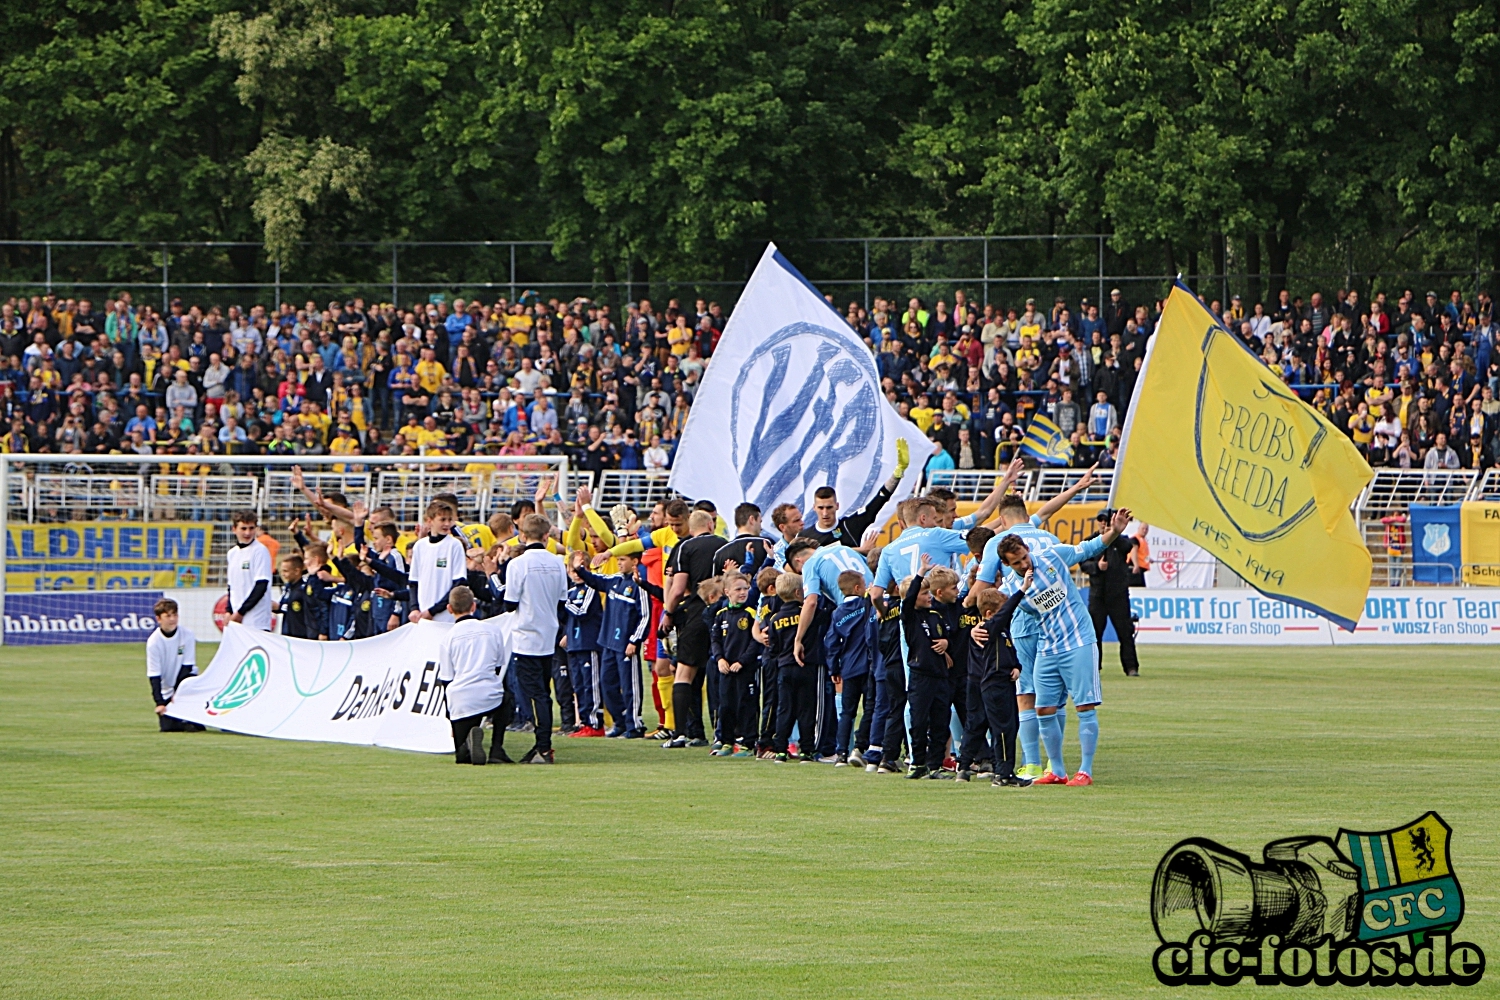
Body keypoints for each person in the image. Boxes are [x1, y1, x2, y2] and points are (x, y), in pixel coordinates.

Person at [992, 507, 1133, 786]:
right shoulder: (1012, 587)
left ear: (1028, 549)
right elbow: (1000, 613)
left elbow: (1088, 548)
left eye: (1024, 557)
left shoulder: (1053, 555)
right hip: (1047, 645)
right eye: (1017, 563)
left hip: (1079, 640)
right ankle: (1056, 770)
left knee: (1085, 706)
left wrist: (1115, 531)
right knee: (1044, 709)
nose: (1024, 564)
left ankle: (1086, 771)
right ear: (1008, 565)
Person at [503, 513, 569, 764]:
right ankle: (542, 744)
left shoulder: (517, 564)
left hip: (525, 636)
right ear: (546, 536)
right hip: (548, 634)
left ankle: (543, 746)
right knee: (543, 691)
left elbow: (510, 604)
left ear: (522, 535)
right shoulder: (556, 563)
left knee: (534, 695)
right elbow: (562, 602)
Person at [572, 550, 653, 739]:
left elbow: (645, 616)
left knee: (630, 686)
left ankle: (634, 725)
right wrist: (580, 569)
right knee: (607, 685)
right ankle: (620, 721)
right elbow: (594, 580)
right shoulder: (614, 580)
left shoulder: (639, 586)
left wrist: (635, 640)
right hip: (608, 642)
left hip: (626, 644)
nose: (619, 563)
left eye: (622, 559)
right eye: (618, 560)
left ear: (635, 562)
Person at [659, 509, 722, 748]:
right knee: (722, 675)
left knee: (684, 675)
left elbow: (677, 588)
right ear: (710, 525)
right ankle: (725, 734)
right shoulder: (723, 544)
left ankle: (680, 733)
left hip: (695, 615)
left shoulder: (685, 547)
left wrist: (669, 613)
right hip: (722, 615)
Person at [956, 585, 1030, 785]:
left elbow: (1008, 654)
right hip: (991, 683)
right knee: (997, 727)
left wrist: (1016, 667)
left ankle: (990, 769)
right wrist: (1022, 590)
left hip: (999, 682)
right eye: (1001, 611)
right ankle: (1002, 774)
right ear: (990, 614)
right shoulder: (986, 629)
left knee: (1003, 726)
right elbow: (1005, 613)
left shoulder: (1002, 633)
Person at [436, 587, 514, 765]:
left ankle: (467, 743)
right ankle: (496, 748)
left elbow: (447, 680)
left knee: (462, 758)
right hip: (489, 695)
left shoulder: (448, 638)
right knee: (507, 698)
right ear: (474, 605)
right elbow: (497, 667)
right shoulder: (493, 631)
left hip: (461, 700)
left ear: (449, 608)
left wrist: (450, 716)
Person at [901, 556, 961, 779]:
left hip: (940, 676)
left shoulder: (935, 615)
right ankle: (917, 763)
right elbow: (907, 601)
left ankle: (935, 765)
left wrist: (946, 644)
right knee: (918, 721)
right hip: (920, 675)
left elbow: (950, 638)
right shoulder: (909, 616)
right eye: (924, 594)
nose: (929, 597)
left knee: (940, 722)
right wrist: (920, 574)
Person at [824, 569, 880, 766]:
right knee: (870, 707)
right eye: (864, 584)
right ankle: (860, 747)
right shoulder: (866, 606)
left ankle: (840, 753)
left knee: (847, 711)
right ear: (858, 588)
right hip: (867, 665)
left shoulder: (837, 613)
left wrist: (834, 669)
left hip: (848, 668)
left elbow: (831, 642)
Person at [1081, 508, 1140, 676]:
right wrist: (1096, 568)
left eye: (1106, 521)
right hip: (1098, 594)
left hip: (1118, 594)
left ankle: (1131, 667)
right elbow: (1084, 564)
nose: (1103, 524)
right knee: (1094, 633)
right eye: (1100, 520)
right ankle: (1094, 666)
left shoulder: (1121, 541)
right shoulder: (1091, 541)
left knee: (1125, 631)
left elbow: (1127, 547)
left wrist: (1113, 535)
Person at [708, 572, 761, 757]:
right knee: (726, 706)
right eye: (738, 589)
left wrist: (742, 661)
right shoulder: (721, 615)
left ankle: (748, 743)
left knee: (746, 705)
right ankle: (726, 741)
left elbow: (755, 642)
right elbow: (715, 640)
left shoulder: (751, 613)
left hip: (745, 669)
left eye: (746, 588)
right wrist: (720, 659)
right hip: (725, 668)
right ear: (727, 592)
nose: (742, 592)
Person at [767, 572, 816, 763]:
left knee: (784, 709)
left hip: (784, 667)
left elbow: (773, 647)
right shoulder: (807, 614)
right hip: (805, 666)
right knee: (806, 709)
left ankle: (780, 749)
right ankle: (806, 750)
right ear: (798, 592)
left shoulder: (775, 619)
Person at [562, 554, 607, 738]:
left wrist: (564, 602)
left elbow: (581, 612)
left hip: (588, 643)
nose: (576, 574)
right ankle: (584, 722)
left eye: (579, 569)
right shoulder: (571, 592)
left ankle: (595, 724)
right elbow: (566, 617)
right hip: (574, 644)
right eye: (572, 570)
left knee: (591, 684)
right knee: (579, 685)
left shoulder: (590, 589)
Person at [144, 598, 204, 732]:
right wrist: (159, 703)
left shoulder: (187, 635)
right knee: (167, 727)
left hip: (186, 685)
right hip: (167, 690)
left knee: (198, 727)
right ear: (159, 619)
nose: (172, 619)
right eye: (168, 616)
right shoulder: (154, 642)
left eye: (175, 615)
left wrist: (178, 694)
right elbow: (154, 675)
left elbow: (187, 667)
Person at [407, 501, 467, 623]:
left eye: (450, 520)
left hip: (446, 617)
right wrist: (414, 608)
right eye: (442, 519)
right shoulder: (420, 546)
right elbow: (414, 582)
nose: (447, 524)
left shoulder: (454, 545)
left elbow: (458, 583)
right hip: (422, 617)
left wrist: (433, 611)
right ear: (430, 521)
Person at [226, 509, 274, 631]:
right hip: (238, 620)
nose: (248, 533)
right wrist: (229, 611)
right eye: (243, 528)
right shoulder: (232, 553)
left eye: (251, 528)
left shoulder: (260, 551)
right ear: (234, 529)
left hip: (256, 621)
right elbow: (231, 587)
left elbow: (261, 586)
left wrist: (241, 612)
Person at [274, 553, 329, 640]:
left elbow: (317, 609)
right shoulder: (288, 587)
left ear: (296, 571)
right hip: (288, 634)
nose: (283, 574)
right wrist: (277, 607)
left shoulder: (305, 589)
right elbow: (286, 607)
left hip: (302, 636)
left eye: (286, 571)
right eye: (282, 571)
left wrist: (322, 631)